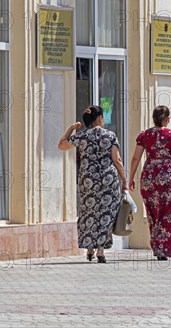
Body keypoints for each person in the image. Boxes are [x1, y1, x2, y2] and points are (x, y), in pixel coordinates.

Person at [58, 105, 128, 263]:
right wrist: (124, 180)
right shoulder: (110, 136)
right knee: (106, 214)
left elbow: (61, 145)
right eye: (102, 116)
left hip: (88, 181)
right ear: (99, 118)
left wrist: (71, 128)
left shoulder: (82, 136)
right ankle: (100, 251)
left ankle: (89, 248)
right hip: (108, 181)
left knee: (89, 213)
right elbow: (117, 160)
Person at [128, 106, 171, 260]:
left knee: (153, 213)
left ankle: (157, 247)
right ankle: (165, 249)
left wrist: (131, 178)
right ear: (167, 119)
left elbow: (136, 157)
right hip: (167, 176)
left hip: (149, 176)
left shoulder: (144, 135)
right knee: (167, 213)